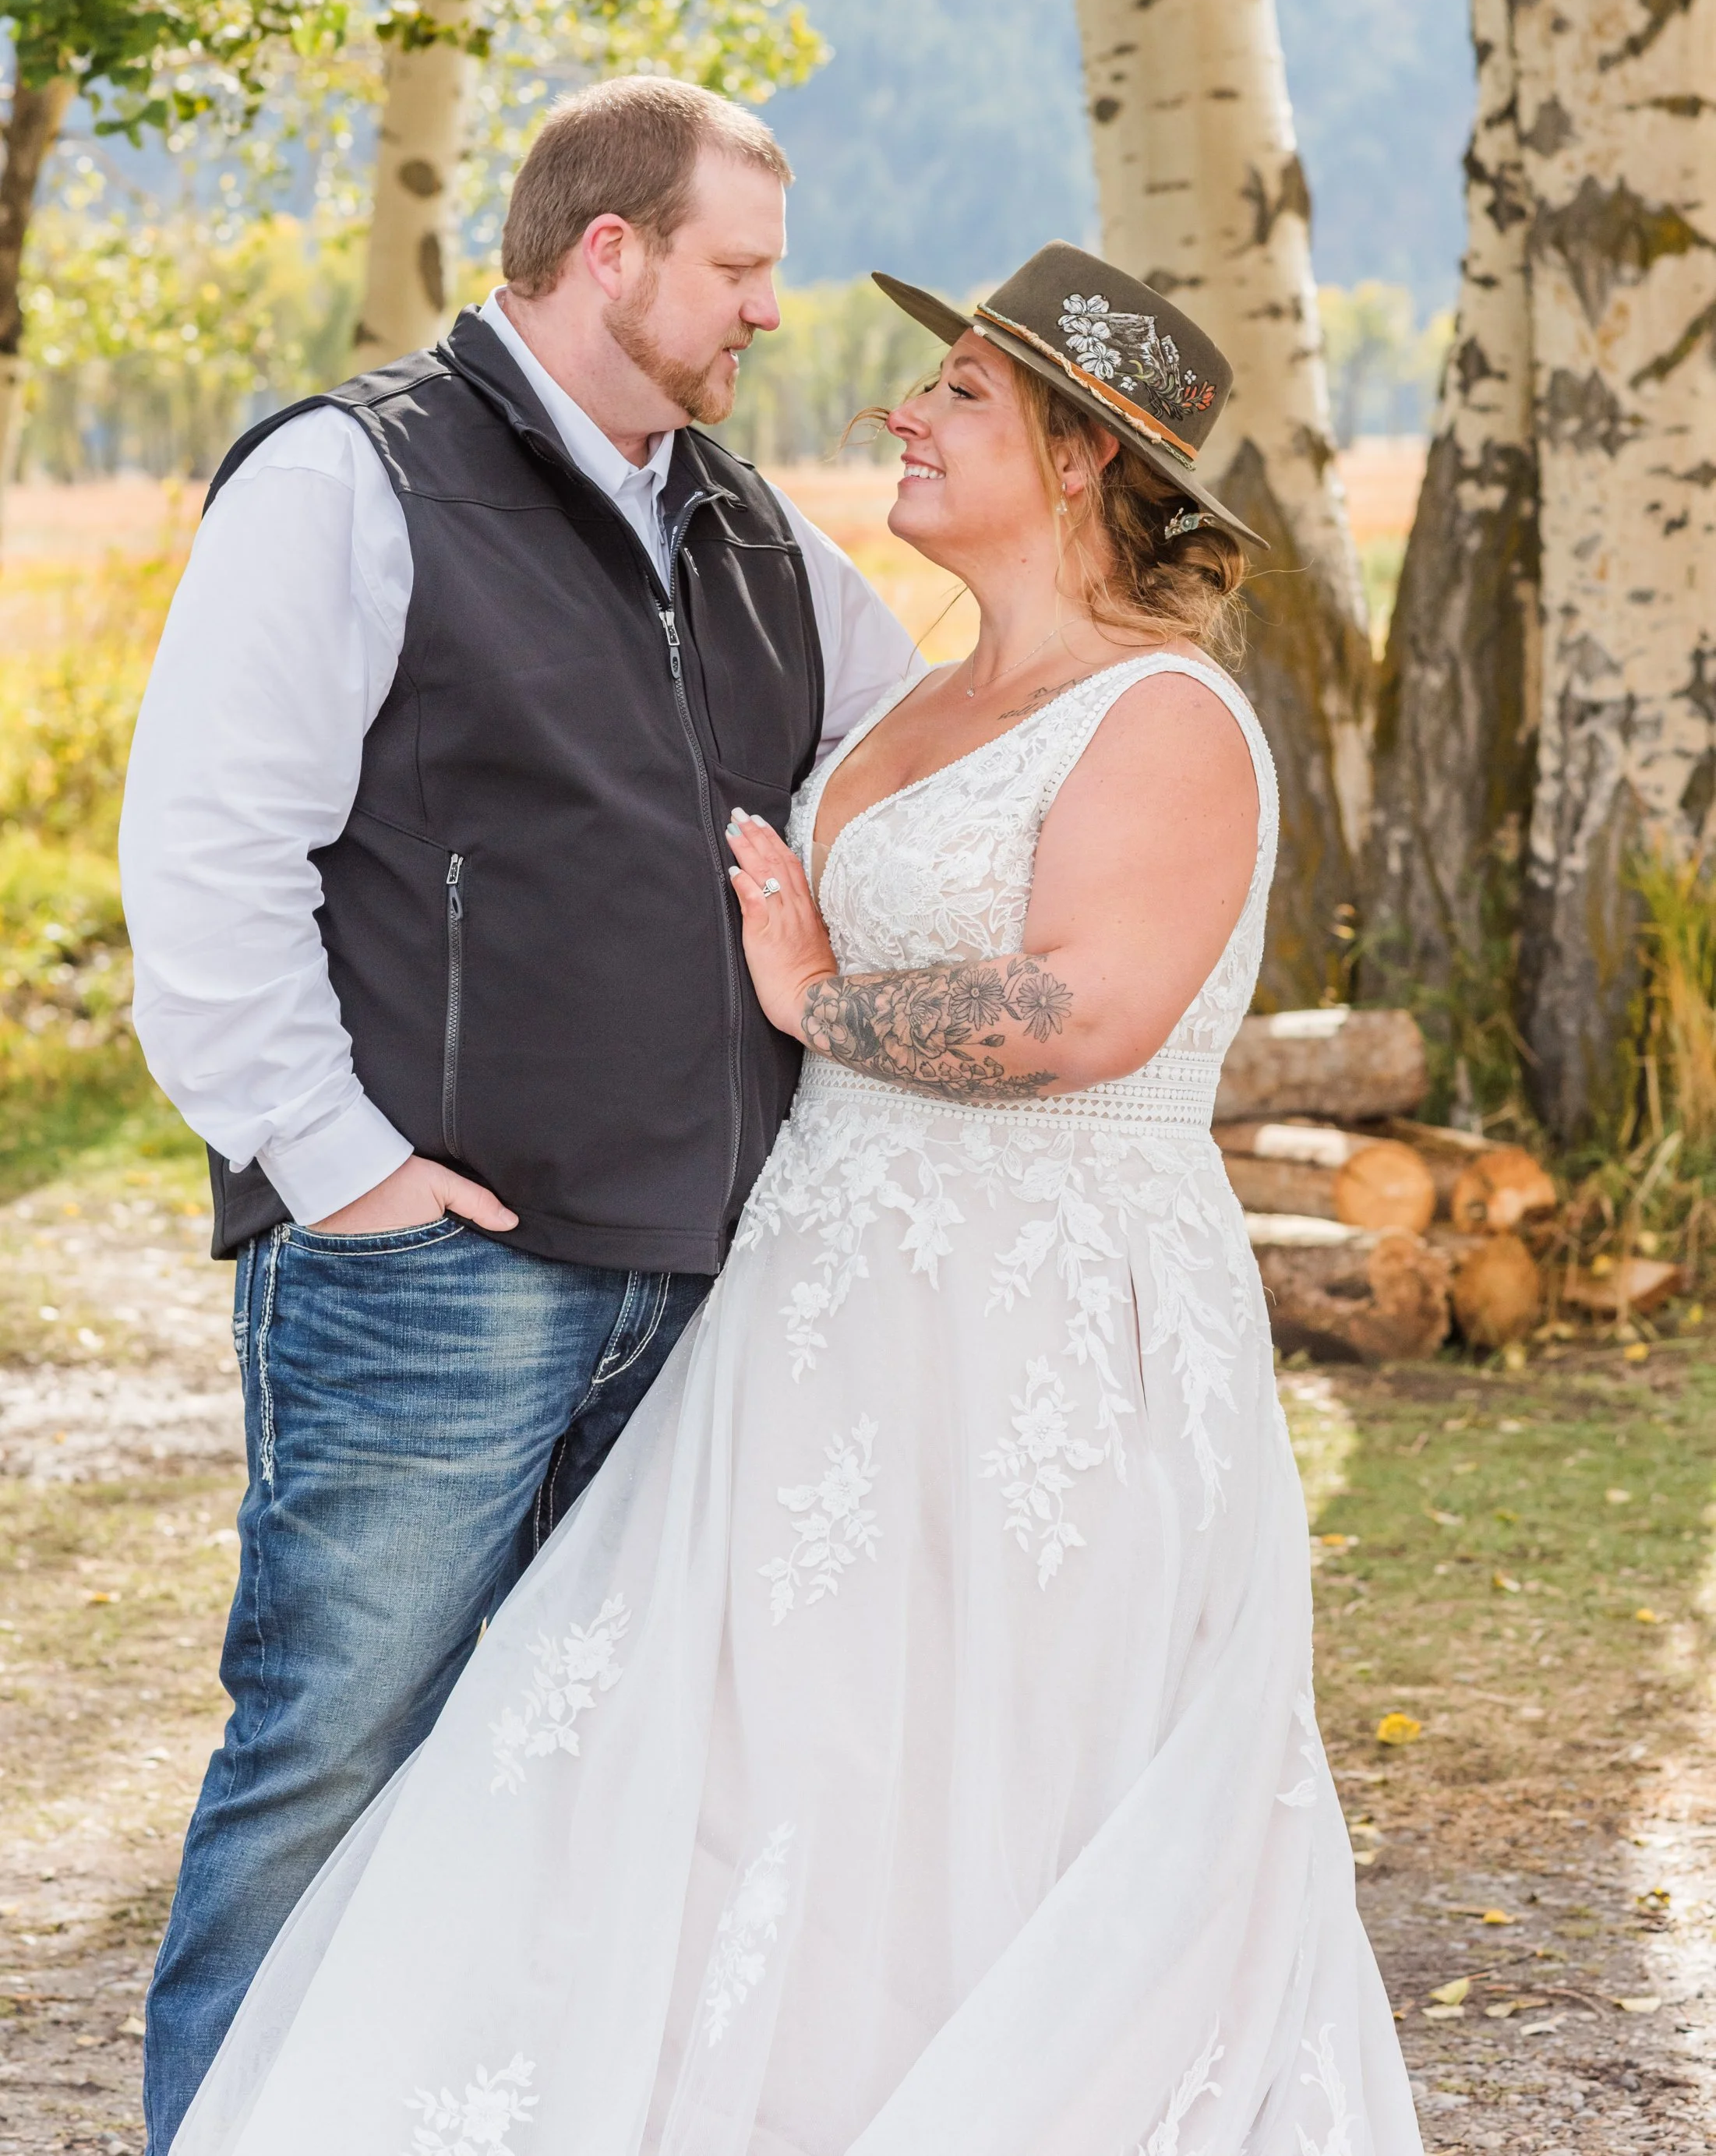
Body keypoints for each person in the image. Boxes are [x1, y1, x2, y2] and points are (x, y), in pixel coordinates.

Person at [166, 242, 1422, 2156]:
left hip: (1045, 1331)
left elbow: (1087, 1011)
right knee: (766, 1771)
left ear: (1083, 460)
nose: (899, 411)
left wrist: (817, 998)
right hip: (819, 1318)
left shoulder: (1169, 716)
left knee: (992, 1764)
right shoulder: (899, 699)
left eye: (962, 396)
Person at [117, 76, 922, 2156]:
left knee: (582, 1782)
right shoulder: (351, 477)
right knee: (333, 1756)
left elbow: (910, 773)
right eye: (738, 269)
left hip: (695, 1273)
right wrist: (343, 1172)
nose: (767, 310)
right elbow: (211, 855)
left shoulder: (752, 533)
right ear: (611, 254)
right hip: (433, 1284)